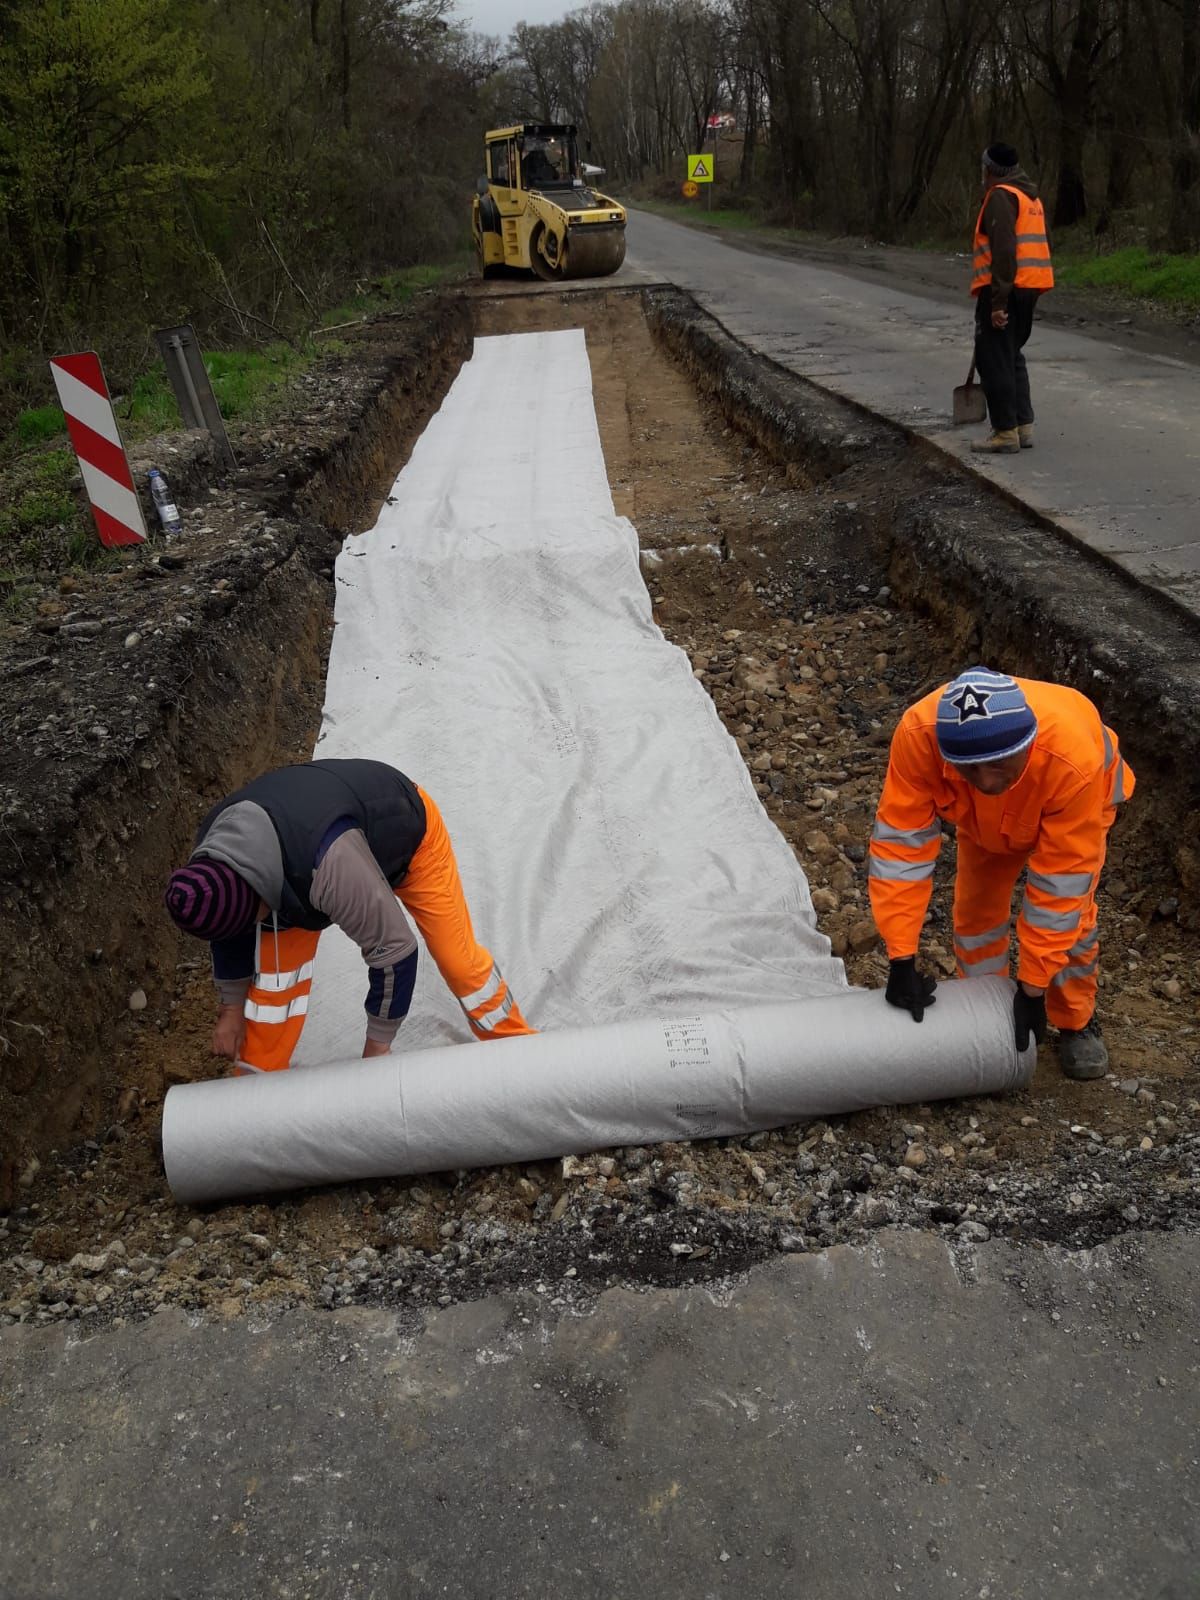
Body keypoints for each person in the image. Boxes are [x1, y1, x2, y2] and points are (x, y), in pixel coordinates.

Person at [164, 759, 534, 1073]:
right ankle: (251, 1103)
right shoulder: (216, 855)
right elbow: (228, 928)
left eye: (251, 922)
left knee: (460, 965)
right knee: (274, 992)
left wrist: (377, 1052)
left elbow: (396, 950)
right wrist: (231, 1009)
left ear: (259, 890)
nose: (252, 931)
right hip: (298, 868)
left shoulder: (331, 864)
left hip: (409, 843)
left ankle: (525, 1055)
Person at [868, 669, 1134, 1080]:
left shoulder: (1071, 759)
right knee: (976, 914)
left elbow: (1060, 887)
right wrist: (901, 957)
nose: (987, 781)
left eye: (997, 765)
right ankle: (988, 1014)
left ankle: (1076, 1020)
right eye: (969, 769)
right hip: (984, 821)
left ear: (1026, 744)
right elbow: (900, 850)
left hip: (1076, 797)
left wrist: (1033, 988)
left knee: (1073, 921)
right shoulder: (920, 738)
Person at [970, 143, 1054, 455]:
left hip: (1007, 288)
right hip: (1029, 288)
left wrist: (998, 302)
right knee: (1011, 355)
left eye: (983, 168)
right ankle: (1022, 425)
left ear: (990, 170)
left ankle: (1005, 432)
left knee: (994, 359)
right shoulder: (1030, 197)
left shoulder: (1001, 197)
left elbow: (1004, 251)